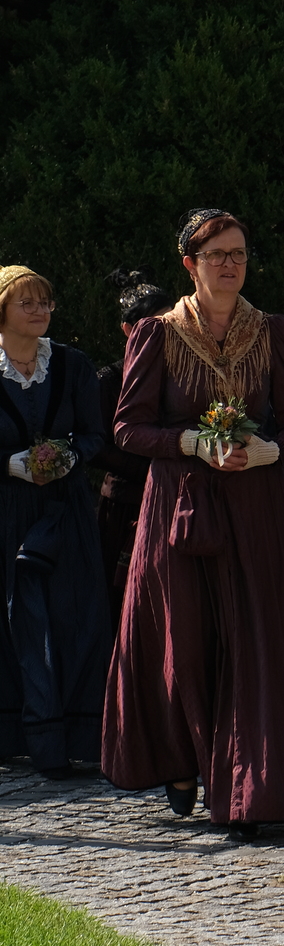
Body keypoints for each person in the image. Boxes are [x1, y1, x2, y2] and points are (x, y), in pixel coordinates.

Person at [104, 208, 284, 841]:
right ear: (190, 264)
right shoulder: (156, 333)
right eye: (216, 255)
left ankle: (249, 787)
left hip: (257, 506)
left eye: (238, 253)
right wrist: (191, 443)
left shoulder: (275, 331)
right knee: (185, 637)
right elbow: (127, 427)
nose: (229, 264)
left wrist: (270, 450)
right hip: (179, 505)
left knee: (256, 638)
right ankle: (182, 757)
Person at [0, 266, 107, 778]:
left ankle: (76, 738)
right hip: (6, 514)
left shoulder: (71, 364)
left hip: (65, 513)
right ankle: (19, 736)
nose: (40, 311)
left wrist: (67, 457)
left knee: (74, 616)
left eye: (46, 302)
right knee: (17, 622)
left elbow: (95, 434)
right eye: (28, 303)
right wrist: (10, 464)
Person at [91, 269, 175, 626]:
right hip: (126, 502)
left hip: (173, 496)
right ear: (128, 330)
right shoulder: (109, 379)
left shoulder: (182, 374)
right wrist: (150, 468)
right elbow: (96, 446)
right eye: (152, 324)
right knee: (120, 600)